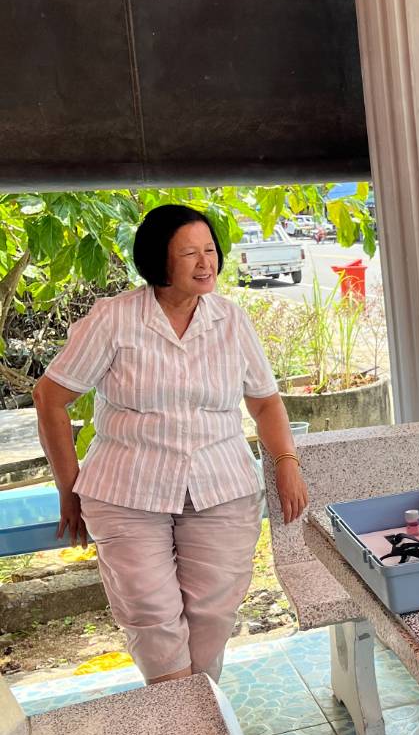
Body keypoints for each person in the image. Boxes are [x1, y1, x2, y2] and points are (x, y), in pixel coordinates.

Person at [33, 203, 309, 685]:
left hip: (221, 488)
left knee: (213, 616)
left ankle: (195, 723)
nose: (207, 263)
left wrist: (285, 460)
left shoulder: (231, 320)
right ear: (159, 261)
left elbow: (265, 403)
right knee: (151, 614)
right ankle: (187, 730)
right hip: (126, 491)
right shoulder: (115, 319)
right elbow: (49, 398)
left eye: (210, 250)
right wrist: (68, 488)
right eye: (189, 253)